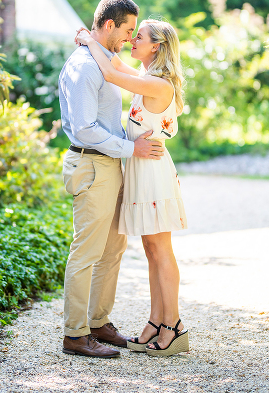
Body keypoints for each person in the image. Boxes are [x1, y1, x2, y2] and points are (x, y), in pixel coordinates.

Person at [75, 18, 190, 358]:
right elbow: (117, 64)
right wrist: (90, 39)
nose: (131, 40)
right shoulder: (147, 79)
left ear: (156, 46)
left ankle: (173, 326)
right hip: (142, 168)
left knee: (161, 250)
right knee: (153, 251)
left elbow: (111, 73)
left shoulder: (160, 85)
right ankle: (156, 321)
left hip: (153, 172)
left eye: (138, 37)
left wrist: (87, 40)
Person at [58, 0, 164, 358]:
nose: (130, 38)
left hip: (109, 164)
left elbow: (118, 67)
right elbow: (85, 129)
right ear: (109, 25)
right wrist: (131, 149)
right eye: (128, 30)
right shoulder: (86, 67)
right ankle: (75, 334)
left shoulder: (101, 59)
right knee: (86, 251)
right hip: (92, 163)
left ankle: (98, 322)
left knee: (113, 248)